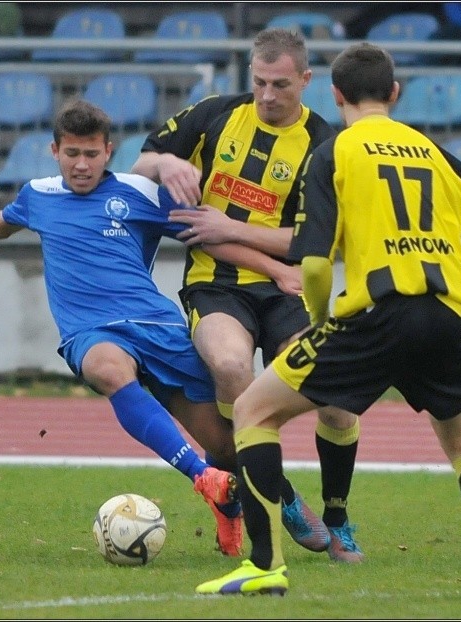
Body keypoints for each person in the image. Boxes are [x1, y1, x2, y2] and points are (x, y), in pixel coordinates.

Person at [195, 42, 461, 597]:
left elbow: (314, 265)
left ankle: (265, 567)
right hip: (446, 316)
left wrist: (318, 322)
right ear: (394, 93)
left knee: (252, 410)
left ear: (334, 95)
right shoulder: (430, 149)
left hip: (380, 314)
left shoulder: (332, 151)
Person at [0, 98, 297, 558]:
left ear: (108, 152)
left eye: (91, 154)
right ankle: (202, 477)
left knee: (228, 445)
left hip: (157, 326)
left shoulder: (139, 193)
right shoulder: (39, 195)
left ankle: (239, 506)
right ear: (55, 151)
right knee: (108, 368)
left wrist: (273, 269)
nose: (81, 164)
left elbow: (209, 238)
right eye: (72, 153)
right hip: (92, 330)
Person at [131, 28, 364, 563]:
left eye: (280, 84)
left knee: (336, 397)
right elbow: (141, 163)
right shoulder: (216, 113)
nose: (266, 95)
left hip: (287, 288)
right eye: (259, 82)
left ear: (306, 80)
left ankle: (337, 514)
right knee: (232, 367)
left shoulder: (325, 146)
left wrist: (229, 228)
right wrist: (165, 163)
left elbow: (316, 242)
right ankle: (277, 494)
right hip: (215, 285)